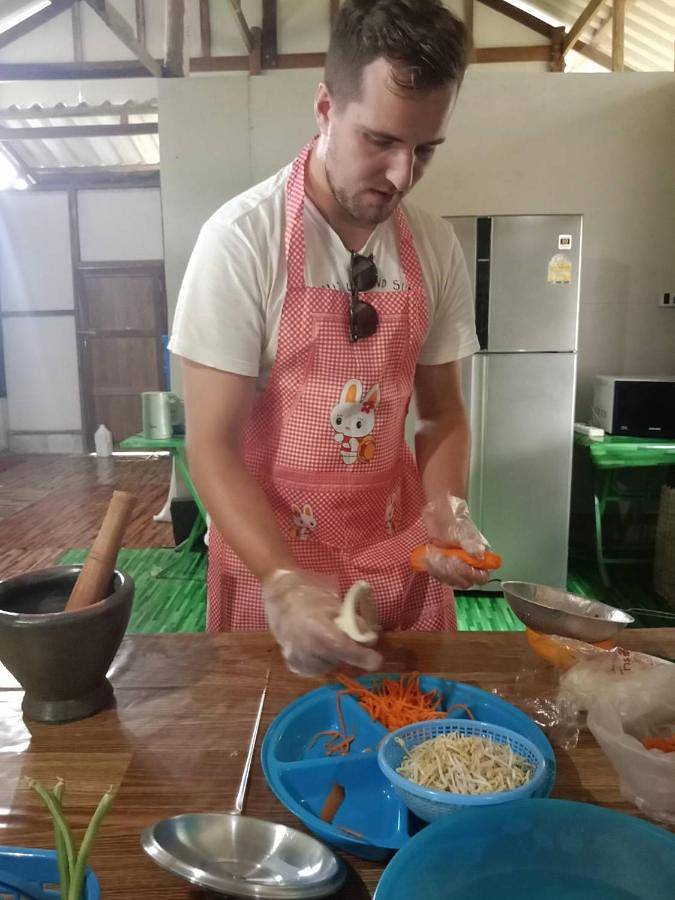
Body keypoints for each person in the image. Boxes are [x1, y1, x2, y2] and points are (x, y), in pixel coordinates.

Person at [170, 0, 492, 677]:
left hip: (392, 558)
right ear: (324, 108)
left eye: (424, 149)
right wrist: (281, 581)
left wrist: (446, 512)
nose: (402, 176)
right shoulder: (241, 242)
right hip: (276, 563)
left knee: (407, 738)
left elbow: (440, 413)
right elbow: (212, 444)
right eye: (380, 141)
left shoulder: (432, 246)